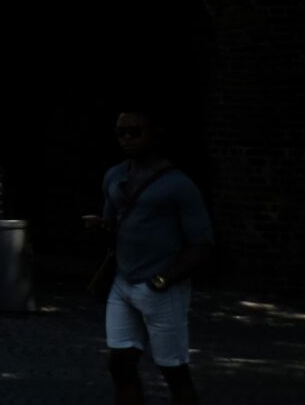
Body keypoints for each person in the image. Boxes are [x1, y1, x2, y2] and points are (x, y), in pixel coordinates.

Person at [96, 109, 214, 404]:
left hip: (162, 286)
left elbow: (202, 243)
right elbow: (111, 227)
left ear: (154, 134)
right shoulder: (115, 176)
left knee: (173, 370)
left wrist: (164, 279)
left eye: (135, 132)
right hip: (124, 282)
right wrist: (99, 228)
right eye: (121, 133)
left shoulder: (178, 184)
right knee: (120, 364)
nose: (126, 139)